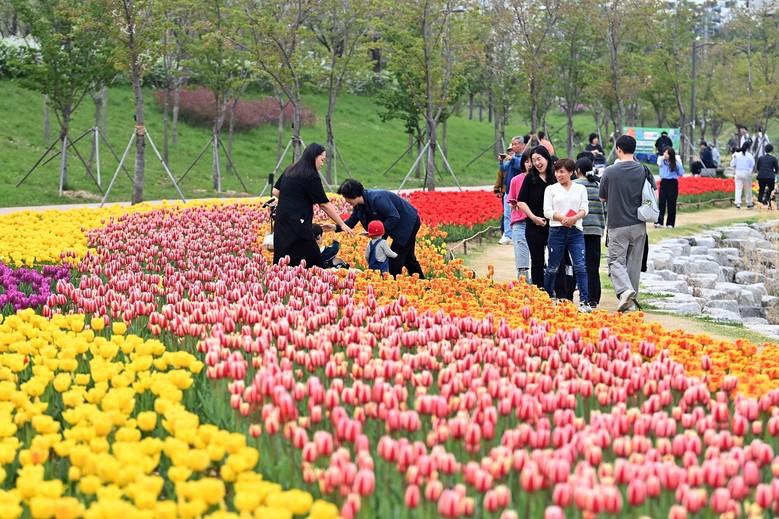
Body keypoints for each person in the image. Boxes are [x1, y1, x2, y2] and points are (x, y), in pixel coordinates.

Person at [272, 142, 354, 268]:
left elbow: (275, 191)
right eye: (322, 159)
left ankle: (284, 277)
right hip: (299, 222)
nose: (322, 163)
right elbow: (324, 204)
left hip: (282, 219)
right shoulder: (310, 175)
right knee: (311, 257)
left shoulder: (290, 169)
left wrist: (291, 201)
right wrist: (342, 224)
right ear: (314, 157)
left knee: (285, 253)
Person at [599, 134, 656, 312]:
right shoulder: (644, 170)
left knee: (615, 260)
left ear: (619, 149)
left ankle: (624, 290)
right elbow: (652, 193)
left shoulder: (610, 171)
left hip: (617, 224)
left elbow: (602, 198)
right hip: (639, 224)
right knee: (634, 263)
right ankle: (631, 303)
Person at [334, 179, 425, 278]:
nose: (346, 201)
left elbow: (394, 216)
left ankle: (393, 283)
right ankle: (422, 281)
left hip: (407, 222)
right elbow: (352, 221)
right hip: (393, 223)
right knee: (408, 258)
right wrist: (335, 227)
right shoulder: (359, 205)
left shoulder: (377, 198)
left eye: (346, 197)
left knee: (394, 258)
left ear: (354, 194)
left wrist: (378, 232)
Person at [543, 158, 591, 313]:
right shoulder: (551, 189)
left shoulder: (580, 189)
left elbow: (584, 208)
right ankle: (548, 297)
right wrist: (563, 219)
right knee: (553, 266)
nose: (558, 175)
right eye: (557, 171)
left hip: (575, 231)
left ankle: (584, 301)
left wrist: (573, 218)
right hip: (557, 231)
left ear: (571, 172)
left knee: (580, 266)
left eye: (562, 172)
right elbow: (547, 211)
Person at [517, 146, 557, 290]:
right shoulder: (530, 178)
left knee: (555, 259)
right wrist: (534, 218)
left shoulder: (555, 177)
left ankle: (554, 288)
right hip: (534, 225)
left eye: (539, 159)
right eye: (534, 160)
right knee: (537, 260)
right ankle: (539, 290)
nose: (537, 163)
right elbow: (521, 201)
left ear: (547, 158)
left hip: (555, 225)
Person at [574, 157, 605, 309]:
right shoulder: (597, 185)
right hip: (595, 230)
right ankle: (593, 298)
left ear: (578, 170)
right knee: (593, 265)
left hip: (578, 229)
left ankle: (582, 294)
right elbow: (603, 210)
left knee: (579, 264)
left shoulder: (574, 185)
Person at [506, 155, 532, 281]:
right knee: (522, 260)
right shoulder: (516, 180)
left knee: (539, 259)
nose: (530, 164)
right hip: (520, 222)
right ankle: (523, 286)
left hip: (538, 224)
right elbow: (511, 201)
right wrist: (515, 204)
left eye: (532, 161)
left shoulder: (543, 180)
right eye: (526, 161)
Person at [498, 137, 526, 244]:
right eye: (512, 144)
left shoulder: (525, 157)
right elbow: (503, 169)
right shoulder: (512, 157)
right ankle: (508, 235)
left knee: (520, 213)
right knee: (507, 213)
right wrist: (501, 162)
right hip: (508, 189)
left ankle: (518, 234)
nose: (513, 147)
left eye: (515, 144)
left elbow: (521, 166)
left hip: (520, 190)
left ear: (522, 145)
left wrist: (512, 159)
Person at [655, 147, 684, 229]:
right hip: (664, 182)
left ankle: (670, 223)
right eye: (664, 152)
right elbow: (659, 163)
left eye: (667, 153)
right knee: (661, 202)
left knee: (671, 203)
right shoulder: (662, 160)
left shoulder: (676, 163)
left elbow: (681, 173)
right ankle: (659, 222)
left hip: (672, 183)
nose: (665, 154)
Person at [730, 141, 756, 209]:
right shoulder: (750, 155)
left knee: (738, 188)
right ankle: (749, 203)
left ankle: (738, 204)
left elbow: (732, 164)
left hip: (738, 173)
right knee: (748, 188)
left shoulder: (737, 155)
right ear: (748, 148)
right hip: (747, 173)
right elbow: (752, 165)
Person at [756, 143, 779, 208]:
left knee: (761, 190)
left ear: (765, 150)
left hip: (761, 176)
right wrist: (773, 172)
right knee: (771, 190)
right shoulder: (774, 159)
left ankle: (759, 204)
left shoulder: (760, 158)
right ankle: (770, 204)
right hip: (770, 176)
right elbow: (777, 169)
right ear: (772, 150)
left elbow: (758, 168)